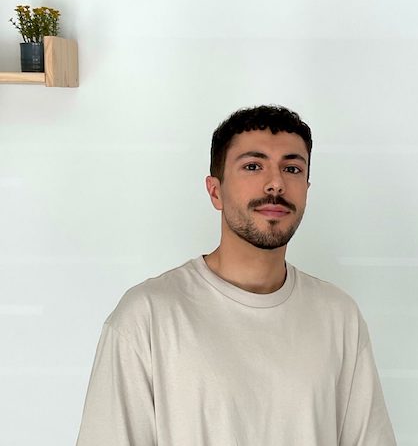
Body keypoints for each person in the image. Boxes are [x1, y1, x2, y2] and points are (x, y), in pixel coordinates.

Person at [76, 105, 397, 446]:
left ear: (306, 188)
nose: (275, 184)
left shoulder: (339, 316)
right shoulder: (147, 317)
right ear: (215, 191)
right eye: (253, 166)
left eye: (291, 168)